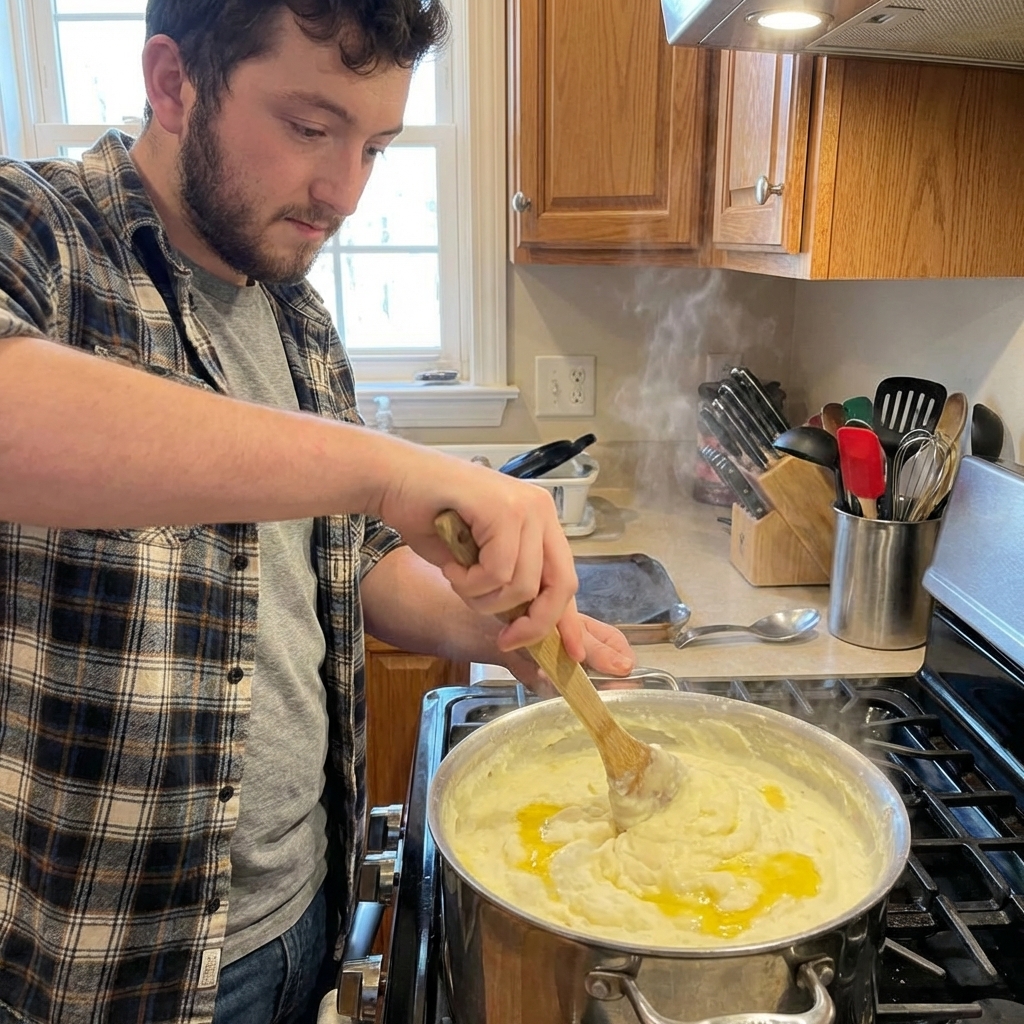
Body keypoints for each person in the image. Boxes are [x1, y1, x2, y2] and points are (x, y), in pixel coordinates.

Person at [0, 2, 636, 1022]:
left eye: (376, 145)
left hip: (301, 912)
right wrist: (383, 466)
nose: (345, 189)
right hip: (114, 959)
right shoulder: (39, 230)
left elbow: (350, 559)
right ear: (173, 84)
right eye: (310, 127)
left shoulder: (294, 316)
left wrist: (480, 623)